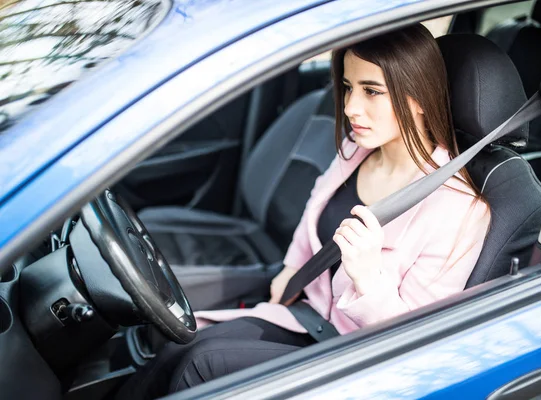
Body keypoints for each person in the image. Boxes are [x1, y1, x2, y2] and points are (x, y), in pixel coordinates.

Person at [117, 24, 490, 399]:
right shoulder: (355, 151)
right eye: (347, 87)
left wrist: (369, 277)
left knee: (201, 362)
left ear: (420, 97)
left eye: (371, 91)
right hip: (309, 312)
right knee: (178, 346)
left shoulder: (459, 209)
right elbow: (315, 207)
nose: (349, 108)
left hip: (357, 356)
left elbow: (413, 344)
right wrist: (294, 268)